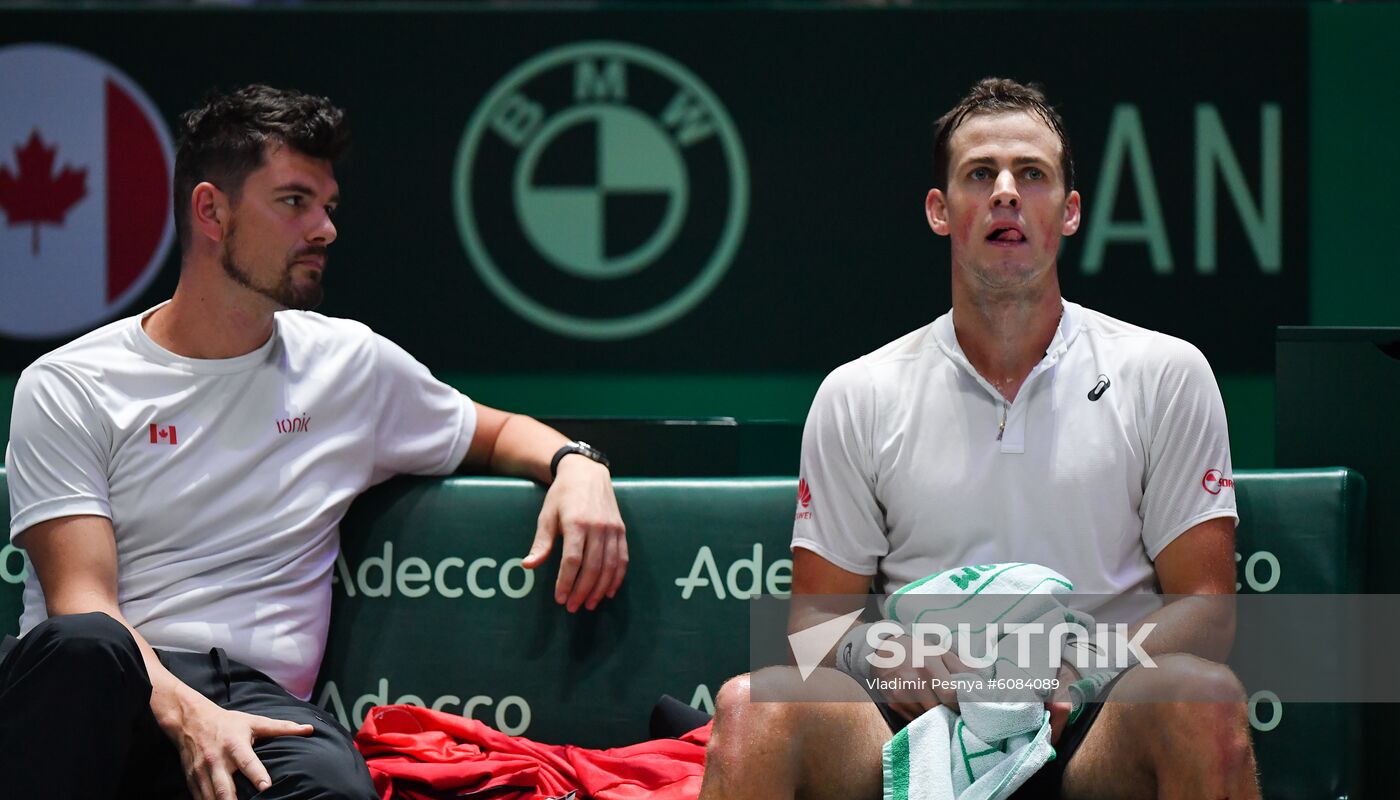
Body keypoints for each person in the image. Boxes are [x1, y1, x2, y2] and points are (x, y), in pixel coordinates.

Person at [0, 84, 627, 800]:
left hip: (253, 698)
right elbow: (83, 603)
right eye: (295, 202)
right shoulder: (69, 382)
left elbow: (498, 431)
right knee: (86, 647)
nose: (325, 228)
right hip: (104, 691)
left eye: (328, 206)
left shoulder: (350, 365)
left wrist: (576, 465)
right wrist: (192, 717)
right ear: (212, 210)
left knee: (336, 789)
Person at [698, 78, 1259, 799]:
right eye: (979, 174)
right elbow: (813, 623)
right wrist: (887, 656)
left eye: (1031, 174)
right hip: (912, 735)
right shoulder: (859, 391)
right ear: (940, 211)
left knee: (1200, 695)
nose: (1005, 193)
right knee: (754, 708)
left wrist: (1080, 669)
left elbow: (1208, 612)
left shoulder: (1165, 373)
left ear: (1070, 211)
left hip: (1096, 727)